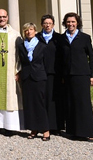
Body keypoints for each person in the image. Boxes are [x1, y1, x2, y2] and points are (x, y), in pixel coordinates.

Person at [58, 12, 93, 142]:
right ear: (65, 23)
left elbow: (91, 57)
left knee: (83, 103)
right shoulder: (62, 39)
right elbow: (59, 59)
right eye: (68, 22)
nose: (71, 24)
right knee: (70, 102)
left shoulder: (85, 37)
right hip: (67, 75)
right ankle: (73, 131)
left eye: (73, 22)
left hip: (82, 74)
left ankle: (88, 131)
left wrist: (92, 75)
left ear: (77, 22)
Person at [17, 22, 49, 141]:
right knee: (29, 104)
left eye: (31, 29)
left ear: (35, 31)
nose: (28, 32)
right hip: (27, 78)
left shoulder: (42, 46)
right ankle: (33, 129)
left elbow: (47, 63)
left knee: (40, 104)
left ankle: (45, 130)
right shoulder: (21, 46)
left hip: (39, 77)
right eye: (26, 30)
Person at [35, 14, 62, 133]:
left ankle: (55, 126)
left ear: (53, 25)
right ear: (41, 25)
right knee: (42, 98)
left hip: (54, 73)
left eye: (49, 23)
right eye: (45, 23)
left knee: (54, 99)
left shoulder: (59, 38)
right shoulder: (36, 37)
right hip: (40, 72)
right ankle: (42, 125)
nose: (47, 25)